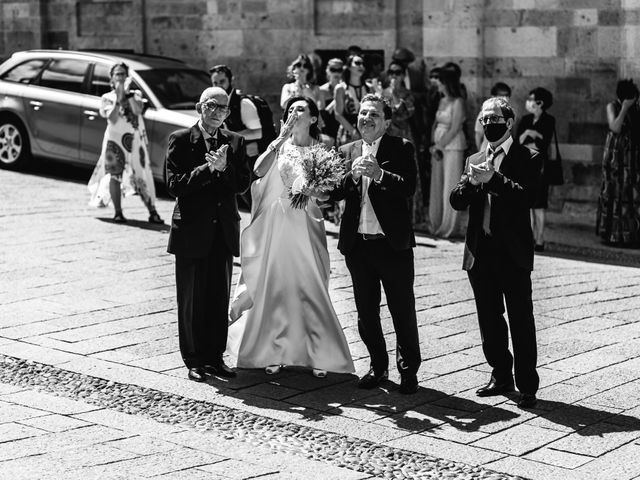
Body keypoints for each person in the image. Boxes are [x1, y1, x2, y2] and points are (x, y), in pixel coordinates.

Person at [228, 95, 354, 378]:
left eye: (301, 109)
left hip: (307, 223)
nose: (295, 112)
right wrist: (279, 139)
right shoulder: (279, 146)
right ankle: (271, 350)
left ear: (313, 118)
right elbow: (258, 171)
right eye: (291, 109)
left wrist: (314, 191)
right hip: (277, 223)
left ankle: (318, 353)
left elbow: (327, 194)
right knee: (276, 284)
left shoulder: (322, 150)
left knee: (311, 284)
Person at [449, 96, 541, 409]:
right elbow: (457, 201)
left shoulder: (528, 155)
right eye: (485, 119)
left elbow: (528, 196)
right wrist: (472, 183)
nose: (489, 123)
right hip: (481, 251)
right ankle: (500, 374)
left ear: (510, 122)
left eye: (495, 118)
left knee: (520, 320)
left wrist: (495, 179)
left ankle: (527, 384)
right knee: (489, 320)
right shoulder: (475, 156)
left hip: (512, 253)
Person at [331, 94, 420, 394]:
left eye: (374, 114)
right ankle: (377, 366)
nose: (366, 118)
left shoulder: (401, 147)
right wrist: (351, 178)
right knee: (366, 312)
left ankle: (408, 371)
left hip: (391, 244)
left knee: (402, 310)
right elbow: (333, 193)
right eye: (363, 113)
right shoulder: (346, 150)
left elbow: (409, 188)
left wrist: (380, 174)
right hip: (358, 245)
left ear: (387, 122)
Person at [165, 87, 250, 383]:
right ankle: (194, 359)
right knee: (190, 300)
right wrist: (207, 169)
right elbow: (174, 185)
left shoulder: (235, 142)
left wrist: (224, 168)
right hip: (191, 231)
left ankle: (215, 357)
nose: (217, 113)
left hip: (222, 231)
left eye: (223, 109)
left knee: (216, 297)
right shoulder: (180, 140)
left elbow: (241, 184)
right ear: (200, 106)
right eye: (212, 106)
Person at [88, 62, 164, 224]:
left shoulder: (135, 95)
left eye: (123, 74)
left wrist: (127, 94)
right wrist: (119, 95)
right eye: (118, 74)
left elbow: (138, 110)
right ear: (112, 78)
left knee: (142, 173)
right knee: (114, 175)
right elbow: (112, 118)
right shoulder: (107, 98)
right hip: (114, 141)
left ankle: (152, 211)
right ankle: (118, 212)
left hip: (135, 140)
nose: (121, 77)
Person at [596, 79, 640, 246]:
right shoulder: (612, 106)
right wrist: (625, 108)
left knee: (631, 194)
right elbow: (615, 127)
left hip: (632, 158)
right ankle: (613, 234)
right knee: (614, 192)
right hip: (615, 157)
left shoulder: (637, 109)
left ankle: (631, 235)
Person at [429, 66, 467, 238]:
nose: (438, 84)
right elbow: (436, 123)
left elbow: (455, 127)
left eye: (441, 81)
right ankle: (437, 223)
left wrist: (439, 145)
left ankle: (450, 226)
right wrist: (433, 143)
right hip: (439, 146)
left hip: (452, 146)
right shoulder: (442, 100)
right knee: (438, 185)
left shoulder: (458, 101)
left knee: (450, 185)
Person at [517, 87, 555, 252]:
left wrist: (532, 136)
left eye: (532, 99)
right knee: (527, 203)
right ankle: (529, 236)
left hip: (540, 167)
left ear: (540, 102)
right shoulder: (525, 119)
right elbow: (519, 141)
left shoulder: (549, 120)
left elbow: (543, 144)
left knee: (539, 204)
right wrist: (531, 135)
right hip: (525, 165)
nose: (529, 102)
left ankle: (540, 239)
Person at [209, 64, 262, 158]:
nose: (218, 86)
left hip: (250, 157)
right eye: (215, 83)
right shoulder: (215, 103)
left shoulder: (243, 103)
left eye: (222, 81)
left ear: (230, 80)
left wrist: (230, 135)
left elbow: (258, 133)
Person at [334, 54, 370, 146]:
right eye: (357, 63)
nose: (361, 66)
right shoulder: (341, 88)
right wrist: (353, 132)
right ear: (349, 67)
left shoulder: (369, 88)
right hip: (348, 131)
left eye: (363, 64)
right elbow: (338, 114)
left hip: (368, 131)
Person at [381, 61, 416, 144]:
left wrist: (393, 93)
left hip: (403, 136)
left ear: (403, 76)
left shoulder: (408, 94)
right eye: (391, 72)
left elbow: (405, 114)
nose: (394, 75)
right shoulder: (382, 93)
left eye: (397, 73)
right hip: (386, 136)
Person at [475, 82, 512, 151]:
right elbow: (478, 135)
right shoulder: (485, 112)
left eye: (507, 95)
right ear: (493, 96)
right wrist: (481, 152)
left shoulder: (511, 112)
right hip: (487, 150)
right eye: (501, 95)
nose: (505, 98)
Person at [319, 58, 344, 144]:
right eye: (333, 69)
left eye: (339, 70)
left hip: (344, 126)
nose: (336, 72)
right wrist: (337, 99)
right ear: (328, 71)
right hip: (329, 128)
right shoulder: (322, 90)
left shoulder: (347, 88)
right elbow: (323, 114)